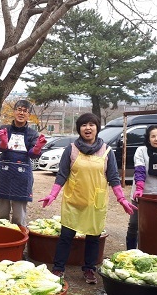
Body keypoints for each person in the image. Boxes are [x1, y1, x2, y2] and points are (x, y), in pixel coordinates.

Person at [40, 112, 136, 284]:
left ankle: (89, 269)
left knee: (93, 237)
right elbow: (62, 174)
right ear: (79, 129)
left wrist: (121, 199)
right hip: (74, 201)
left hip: (95, 202)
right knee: (66, 236)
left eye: (91, 124)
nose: (88, 128)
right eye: (84, 125)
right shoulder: (71, 149)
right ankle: (58, 268)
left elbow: (113, 177)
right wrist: (52, 194)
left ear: (97, 128)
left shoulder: (107, 151)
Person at [0, 100, 46, 226]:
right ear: (14, 112)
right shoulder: (4, 129)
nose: (21, 113)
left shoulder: (32, 133)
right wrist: (3, 142)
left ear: (29, 115)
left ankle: (18, 243)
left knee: (19, 215)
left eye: (25, 111)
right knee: (1, 214)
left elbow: (32, 154)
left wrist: (37, 148)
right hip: (4, 175)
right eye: (19, 109)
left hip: (22, 177)